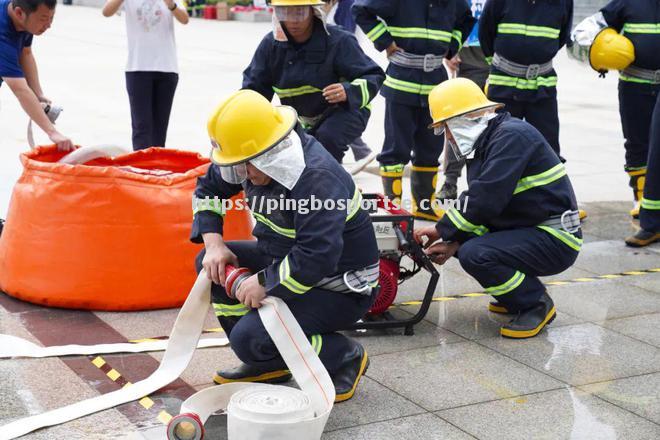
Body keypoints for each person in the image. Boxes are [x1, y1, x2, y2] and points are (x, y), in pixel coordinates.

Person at [192, 90, 378, 402]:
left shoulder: (317, 178)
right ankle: (268, 361)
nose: (242, 176)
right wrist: (213, 244)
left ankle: (344, 356)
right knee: (209, 265)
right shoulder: (250, 156)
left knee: (249, 337)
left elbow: (316, 256)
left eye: (246, 168)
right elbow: (207, 189)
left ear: (271, 155)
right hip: (282, 257)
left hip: (337, 286)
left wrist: (265, 283)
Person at [415, 78, 581, 338]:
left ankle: (534, 304)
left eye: (446, 128)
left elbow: (486, 199)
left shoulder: (512, 137)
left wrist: (441, 229)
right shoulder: (489, 141)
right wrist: (452, 240)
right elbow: (485, 206)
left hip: (555, 238)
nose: (447, 136)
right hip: (528, 225)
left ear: (466, 119)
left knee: (476, 253)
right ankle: (513, 294)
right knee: (463, 245)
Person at [353, 0, 475, 221]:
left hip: (435, 87)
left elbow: (467, 19)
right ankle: (393, 206)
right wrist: (385, 42)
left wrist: (451, 46)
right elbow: (360, 10)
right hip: (401, 83)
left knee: (431, 147)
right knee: (395, 148)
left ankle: (424, 205)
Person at [243, 0, 384, 166]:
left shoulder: (339, 40)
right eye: (284, 13)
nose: (293, 20)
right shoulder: (270, 47)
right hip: (304, 118)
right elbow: (252, 92)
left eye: (299, 13)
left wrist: (348, 91)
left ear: (313, 12)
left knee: (326, 141)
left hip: (347, 110)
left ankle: (330, 183)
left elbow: (374, 75)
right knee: (285, 154)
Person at [571, 2, 660, 222]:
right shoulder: (628, 3)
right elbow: (584, 30)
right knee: (637, 142)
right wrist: (598, 49)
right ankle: (641, 200)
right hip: (635, 86)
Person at [479, 0, 573, 160]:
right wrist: (506, 65)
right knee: (497, 146)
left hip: (542, 87)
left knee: (547, 150)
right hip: (504, 85)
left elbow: (562, 36)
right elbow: (485, 32)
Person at [102, 0, 189, 150]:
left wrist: (171, 4)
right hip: (137, 69)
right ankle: (140, 170)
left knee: (159, 130)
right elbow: (106, 11)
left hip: (167, 69)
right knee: (141, 128)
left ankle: (156, 169)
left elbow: (185, 19)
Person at [1, 0, 73, 150]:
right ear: (19, 13)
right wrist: (52, 132)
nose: (48, 25)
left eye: (51, 18)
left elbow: (25, 53)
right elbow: (20, 89)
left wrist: (38, 94)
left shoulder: (22, 19)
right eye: (43, 19)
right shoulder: (3, 35)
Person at [438, 0, 489, 203]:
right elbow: (447, 12)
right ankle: (450, 181)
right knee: (460, 119)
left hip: (503, 58)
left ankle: (490, 181)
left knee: (500, 122)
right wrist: (448, 50)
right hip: (468, 59)